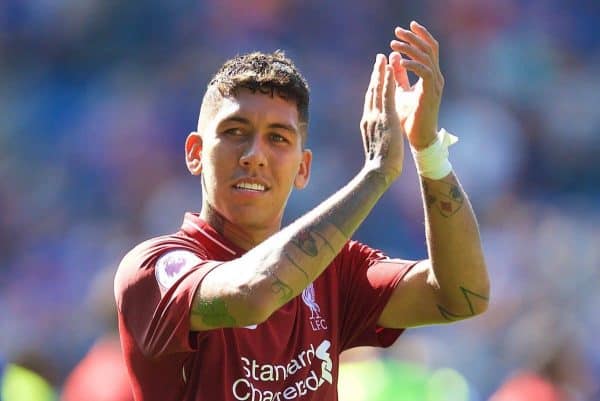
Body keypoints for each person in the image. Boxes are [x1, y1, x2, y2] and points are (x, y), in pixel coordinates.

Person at [114, 21, 490, 401]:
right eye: (234, 132)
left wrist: (428, 151)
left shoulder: (334, 269)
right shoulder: (155, 268)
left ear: (303, 168)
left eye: (277, 138)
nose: (254, 156)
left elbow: (462, 295)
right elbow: (253, 295)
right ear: (195, 153)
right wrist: (376, 174)